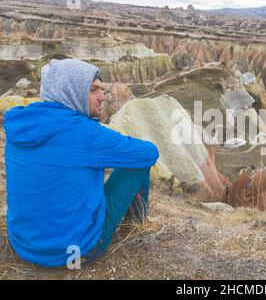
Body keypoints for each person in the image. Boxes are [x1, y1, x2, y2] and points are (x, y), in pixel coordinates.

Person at [4, 59, 159, 268]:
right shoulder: (87, 134)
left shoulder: (18, 124)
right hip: (73, 255)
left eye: (102, 90)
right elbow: (150, 153)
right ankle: (136, 225)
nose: (102, 96)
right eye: (93, 89)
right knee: (137, 163)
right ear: (71, 91)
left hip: (24, 246)